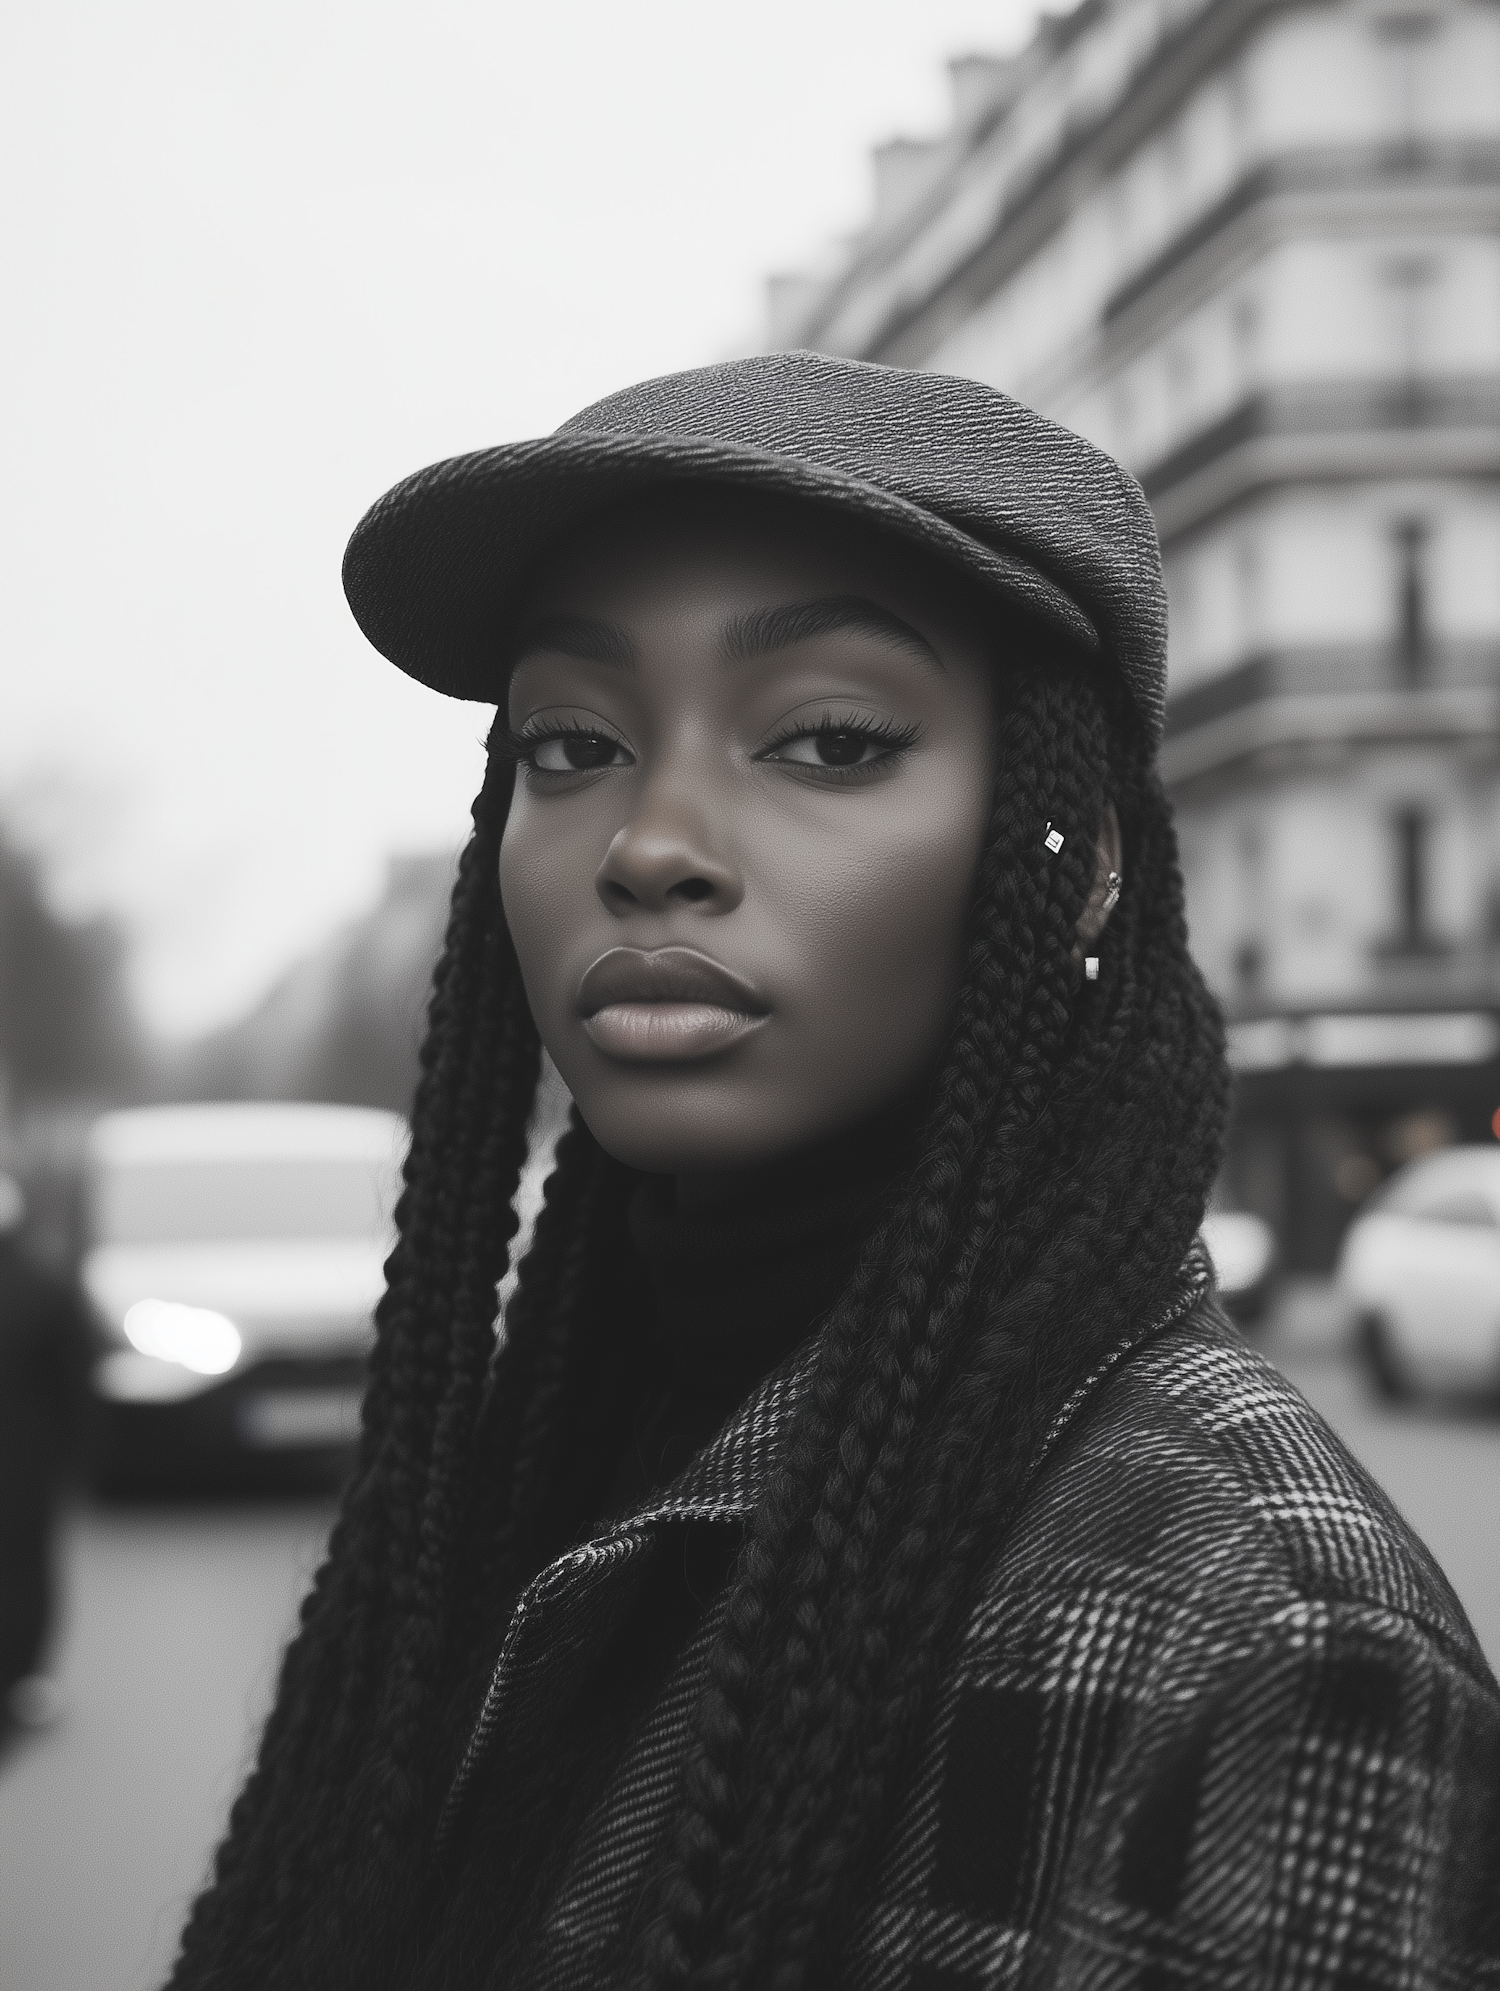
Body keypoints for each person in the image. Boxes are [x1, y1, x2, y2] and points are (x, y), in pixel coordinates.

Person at [167, 354, 1500, 1991]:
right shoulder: (534, 1467)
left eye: (832, 739)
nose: (649, 842)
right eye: (570, 743)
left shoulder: (1262, 1637)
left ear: (1077, 873)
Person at [0, 1171, 91, 1743]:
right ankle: (21, 1681)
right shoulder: (46, 1288)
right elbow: (74, 1383)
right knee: (23, 1569)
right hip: (24, 1464)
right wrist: (78, 1458)